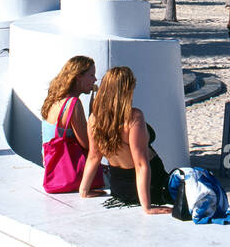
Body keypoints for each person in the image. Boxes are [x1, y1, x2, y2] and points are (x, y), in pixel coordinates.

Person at [79, 67, 171, 213]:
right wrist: (147, 207)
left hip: (119, 189)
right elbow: (140, 164)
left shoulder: (94, 119)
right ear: (126, 90)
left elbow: (93, 156)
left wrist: (84, 190)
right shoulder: (133, 117)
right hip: (152, 187)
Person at [40, 55, 99, 194]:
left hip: (51, 164)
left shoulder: (55, 99)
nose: (95, 80)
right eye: (91, 75)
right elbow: (87, 144)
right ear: (78, 77)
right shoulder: (73, 104)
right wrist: (94, 115)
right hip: (65, 170)